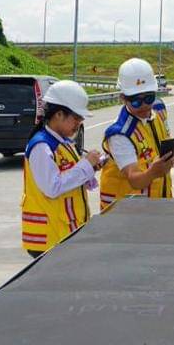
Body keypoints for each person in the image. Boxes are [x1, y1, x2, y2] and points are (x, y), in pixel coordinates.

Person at [21, 81, 104, 256]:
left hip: (62, 232)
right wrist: (85, 165)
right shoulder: (42, 146)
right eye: (76, 118)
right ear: (59, 114)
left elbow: (69, 176)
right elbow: (53, 187)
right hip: (49, 237)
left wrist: (91, 168)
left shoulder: (62, 142)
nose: (79, 123)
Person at [98, 57, 174, 211]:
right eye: (136, 101)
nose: (144, 105)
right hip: (127, 215)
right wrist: (154, 172)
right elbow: (135, 180)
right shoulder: (119, 135)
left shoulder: (159, 109)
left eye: (149, 98)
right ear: (123, 98)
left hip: (157, 207)